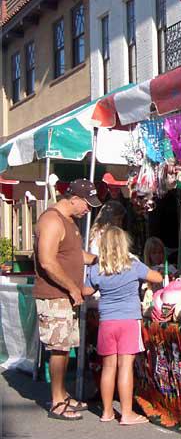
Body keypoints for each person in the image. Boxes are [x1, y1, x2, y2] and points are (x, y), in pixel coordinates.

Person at [33, 179, 101, 421]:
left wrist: (98, 260)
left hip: (65, 296)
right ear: (74, 199)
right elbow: (47, 261)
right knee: (59, 349)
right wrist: (73, 288)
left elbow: (74, 254)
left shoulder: (70, 222)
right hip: (55, 295)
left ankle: (63, 393)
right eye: (87, 204)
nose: (88, 210)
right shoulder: (52, 220)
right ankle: (57, 401)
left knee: (65, 346)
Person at [83, 226, 162, 424]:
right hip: (128, 320)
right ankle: (127, 413)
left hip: (107, 321)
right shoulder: (133, 265)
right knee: (125, 366)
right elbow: (157, 277)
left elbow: (85, 291)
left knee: (108, 367)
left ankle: (107, 412)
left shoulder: (97, 269)